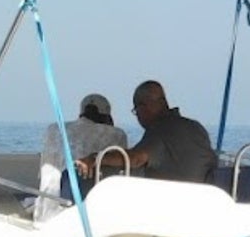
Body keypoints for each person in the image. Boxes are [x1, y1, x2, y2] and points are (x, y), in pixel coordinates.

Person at [75, 80, 216, 185]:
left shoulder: (161, 130)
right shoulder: (196, 128)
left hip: (173, 207)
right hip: (204, 203)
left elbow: (135, 159)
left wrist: (95, 159)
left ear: (143, 108)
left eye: (136, 111)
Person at [33, 93, 128, 222]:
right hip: (83, 218)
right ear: (107, 116)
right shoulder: (116, 134)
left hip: (43, 213)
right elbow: (121, 171)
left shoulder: (53, 129)